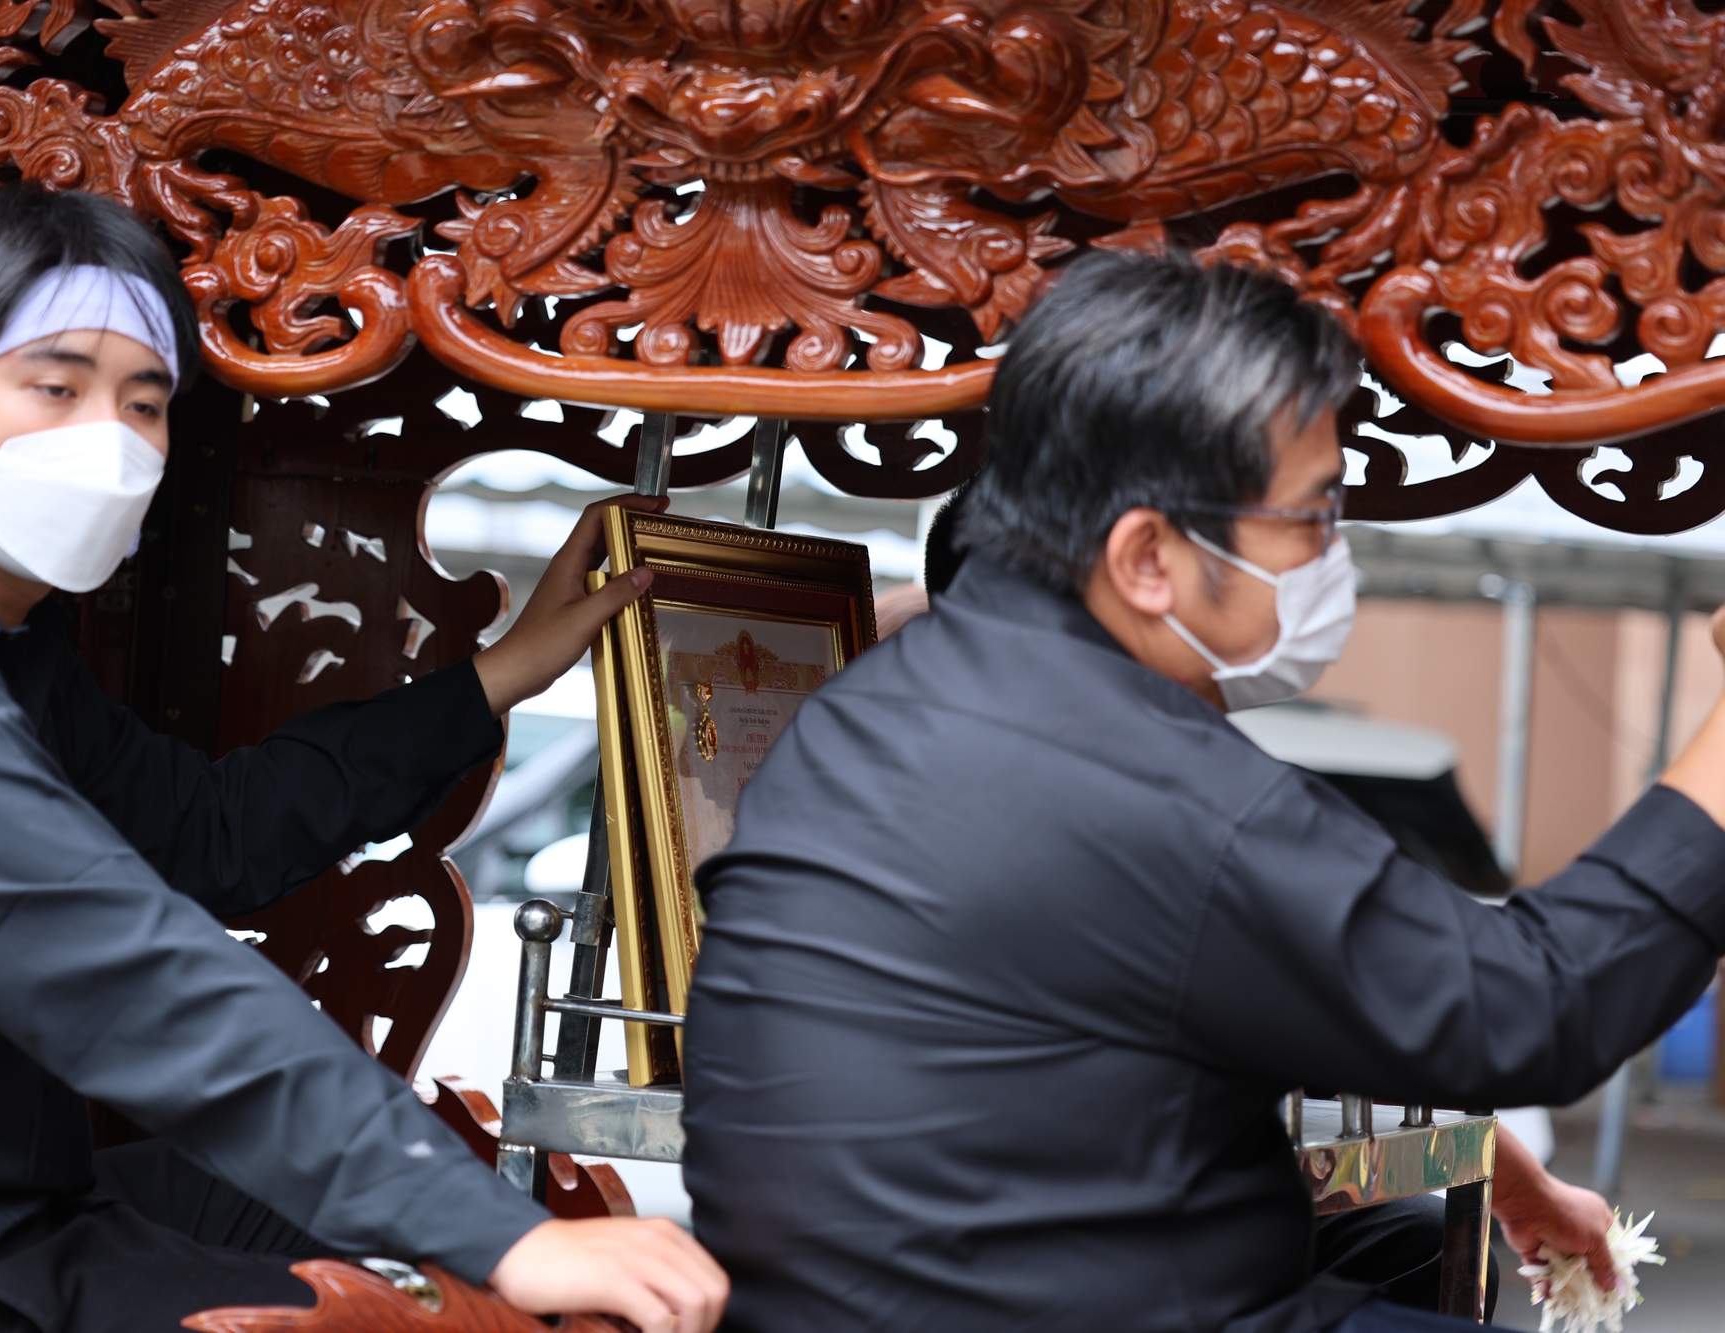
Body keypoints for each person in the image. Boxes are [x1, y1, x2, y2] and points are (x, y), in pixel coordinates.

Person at [0, 184, 726, 1333]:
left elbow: (206, 832)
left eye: (141, 402)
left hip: (5, 1211)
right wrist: (512, 1236)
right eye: (54, 387)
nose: (107, 439)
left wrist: (501, 672)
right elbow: (135, 980)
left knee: (381, 1241)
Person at [681, 250, 1725, 1333]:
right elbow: (1534, 1008)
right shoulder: (1142, 778)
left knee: (1402, 1243)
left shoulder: (872, 707)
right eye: (1310, 516)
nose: (1331, 555)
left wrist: (1511, 1181)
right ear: (1145, 558)